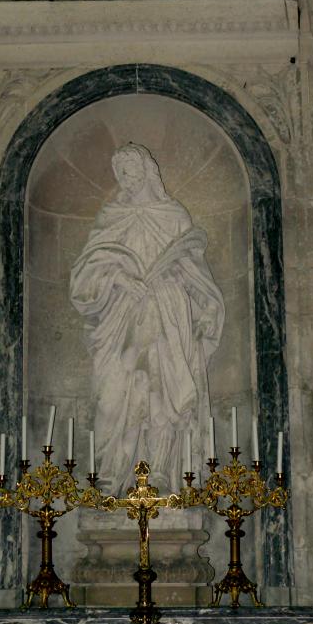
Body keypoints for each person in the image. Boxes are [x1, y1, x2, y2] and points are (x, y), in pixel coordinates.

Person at [70, 143, 225, 494]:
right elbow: (85, 276)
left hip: (166, 313)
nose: (124, 176)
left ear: (147, 170)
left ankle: (160, 472)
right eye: (119, 171)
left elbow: (194, 271)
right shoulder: (111, 216)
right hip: (121, 316)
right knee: (112, 397)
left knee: (161, 394)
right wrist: (120, 279)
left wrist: (203, 308)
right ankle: (109, 474)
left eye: (130, 168)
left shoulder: (173, 215)